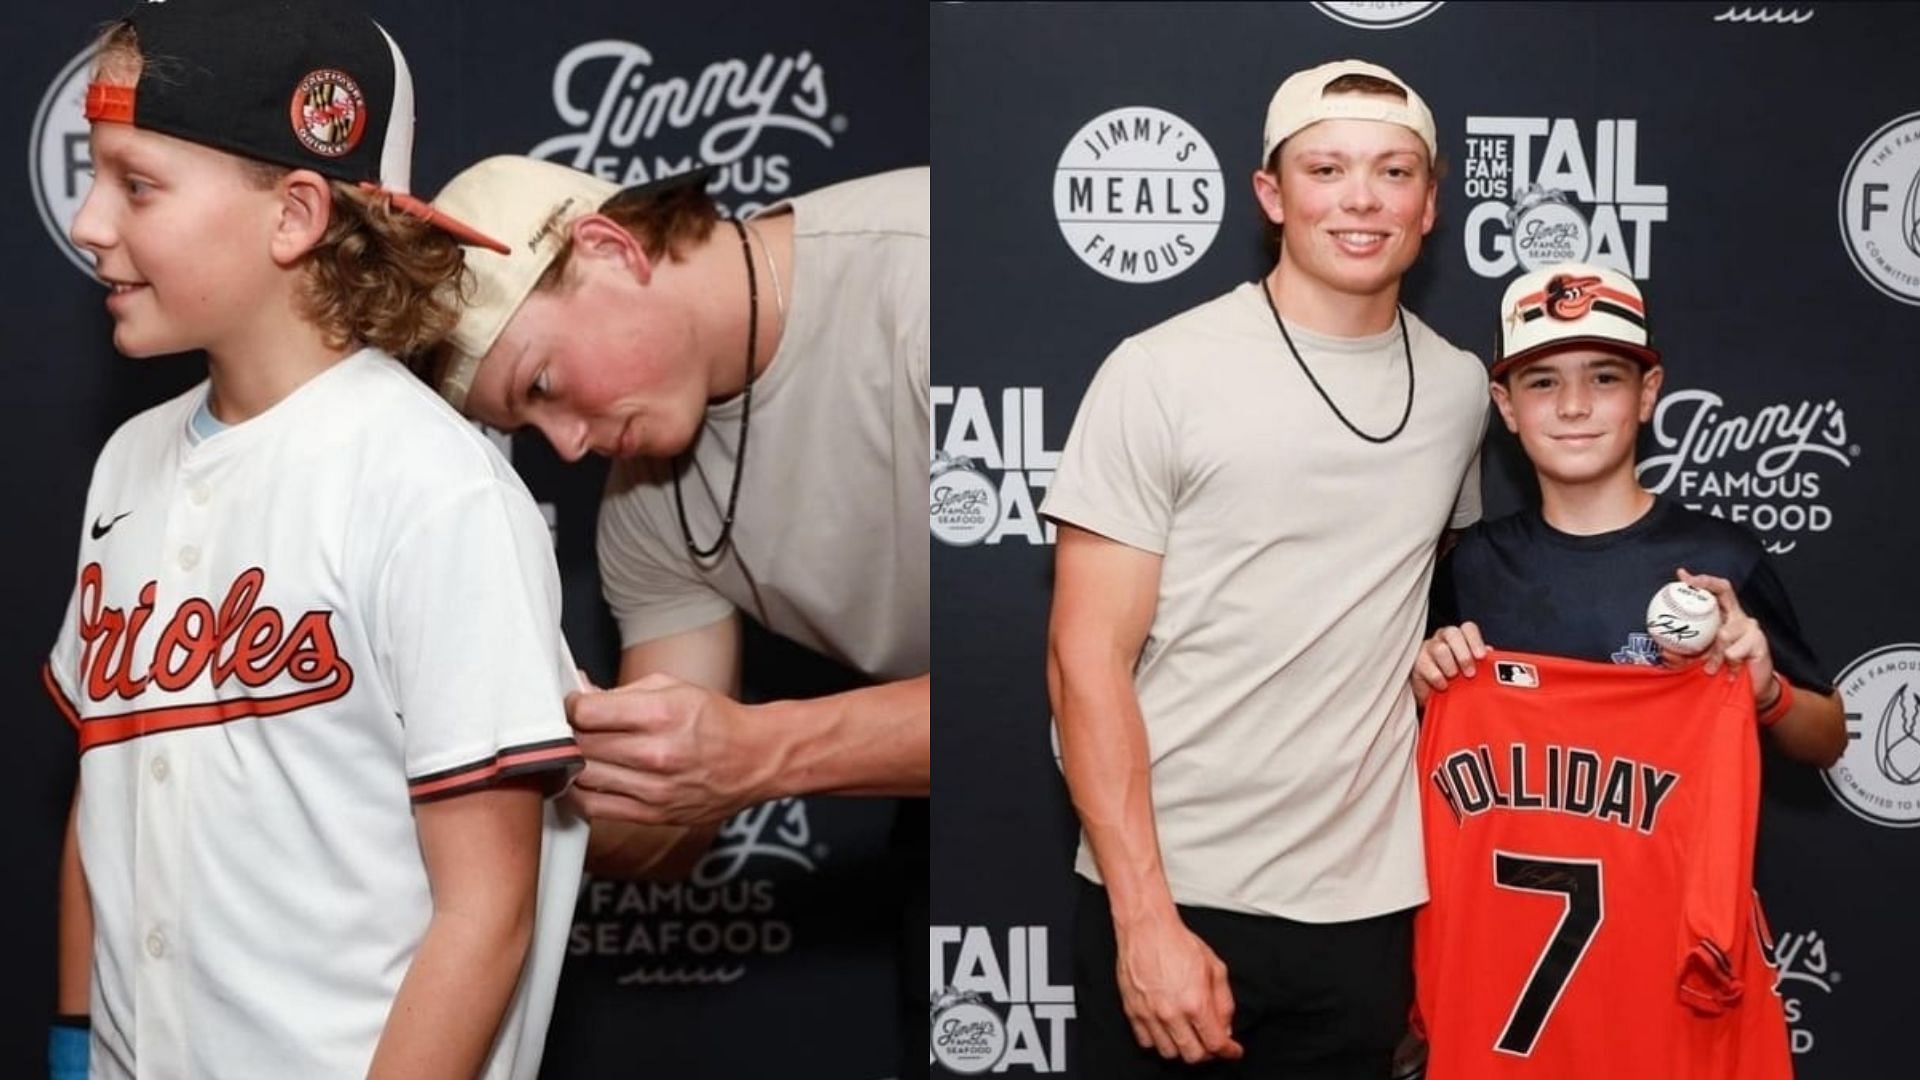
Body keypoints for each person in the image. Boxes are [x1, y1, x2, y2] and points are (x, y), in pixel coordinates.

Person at [45, 4, 587, 1078]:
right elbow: (104, 795)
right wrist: (73, 1047)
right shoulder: (127, 464)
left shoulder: (432, 483)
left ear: (294, 215)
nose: (88, 220)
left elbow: (487, 915)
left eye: (135, 183)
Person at [415, 155, 929, 1056]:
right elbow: (664, 828)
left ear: (612, 249)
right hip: (983, 841)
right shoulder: (645, 502)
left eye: (542, 384)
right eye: (529, 427)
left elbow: (1120, 674)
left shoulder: (925, 271)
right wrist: (526, 776)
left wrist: (766, 751)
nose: (567, 446)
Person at [1041, 59, 1489, 1076]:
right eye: (1327, 169)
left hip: (1371, 911)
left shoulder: (1462, 389)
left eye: (1394, 171)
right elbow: (1083, 663)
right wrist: (1145, 918)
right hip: (1179, 894)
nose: (1362, 199)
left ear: (1431, 200)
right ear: (1272, 194)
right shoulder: (1162, 371)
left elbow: (1424, 591)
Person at [1407, 261, 1845, 1078]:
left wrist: (1765, 688)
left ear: (1648, 395)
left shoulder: (1718, 561)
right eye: (1542, 382)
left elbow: (1827, 737)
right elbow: (1411, 745)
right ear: (1506, 407)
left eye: (1604, 378)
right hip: (1504, 993)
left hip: (1663, 984)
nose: (1574, 406)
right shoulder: (1473, 568)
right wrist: (1425, 681)